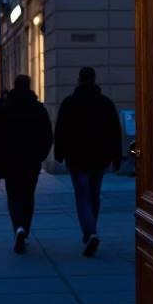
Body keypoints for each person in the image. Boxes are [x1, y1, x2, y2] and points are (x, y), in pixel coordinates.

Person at [53, 66, 123, 257]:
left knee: (82, 196)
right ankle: (90, 229)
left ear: (79, 80)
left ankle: (90, 232)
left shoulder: (69, 103)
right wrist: (117, 157)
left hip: (76, 158)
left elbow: (61, 130)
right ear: (94, 80)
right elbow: (114, 132)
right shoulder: (105, 103)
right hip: (99, 158)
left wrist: (59, 153)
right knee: (94, 195)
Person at [0, 74, 53, 253]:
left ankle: (18, 228)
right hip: (31, 160)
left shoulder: (6, 109)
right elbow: (47, 135)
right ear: (29, 86)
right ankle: (25, 229)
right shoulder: (38, 109)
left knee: (13, 195)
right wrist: (42, 154)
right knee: (28, 196)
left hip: (10, 159)